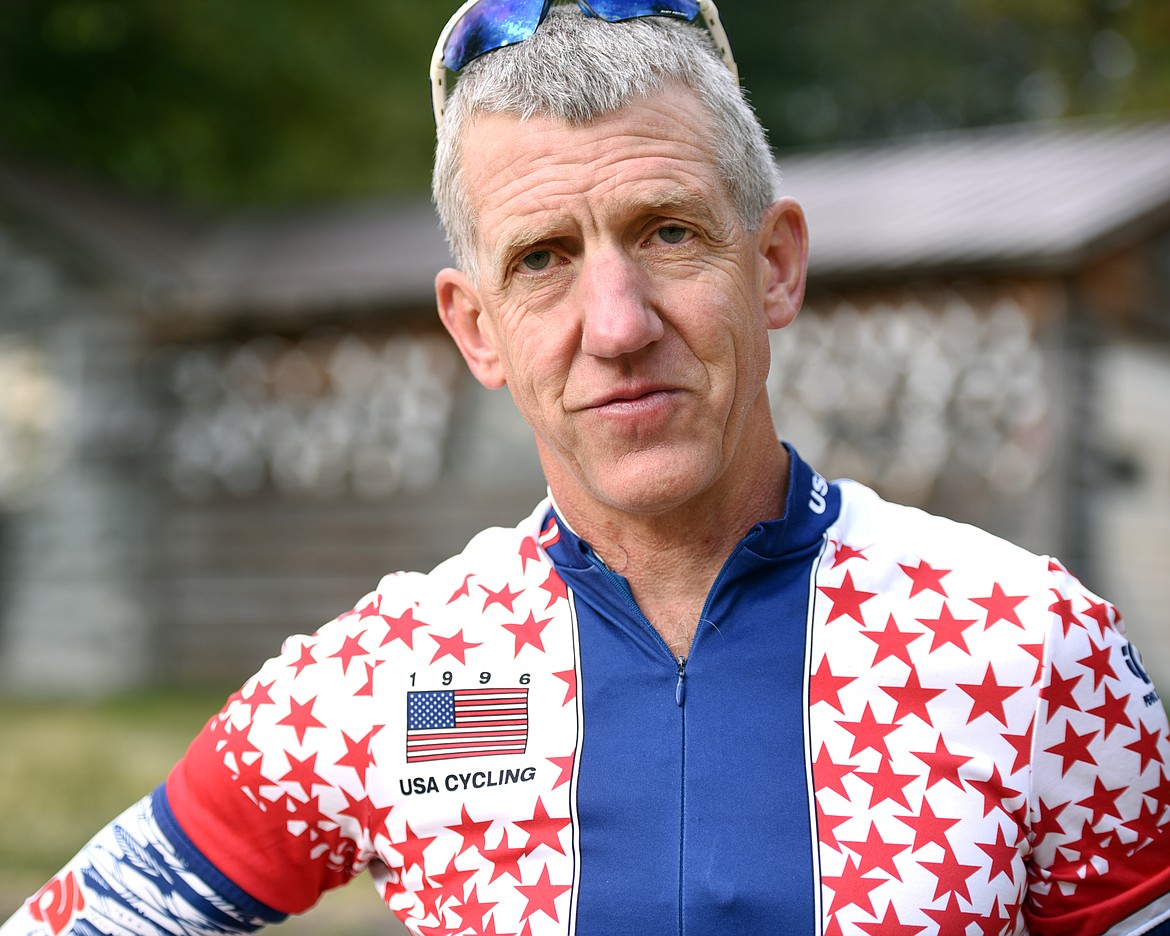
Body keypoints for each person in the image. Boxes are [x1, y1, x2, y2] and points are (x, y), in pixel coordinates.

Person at [5, 1, 1170, 934]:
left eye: (668, 231)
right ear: (476, 328)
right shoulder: (387, 682)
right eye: (544, 259)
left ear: (773, 266)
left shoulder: (1029, 643)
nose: (616, 324)